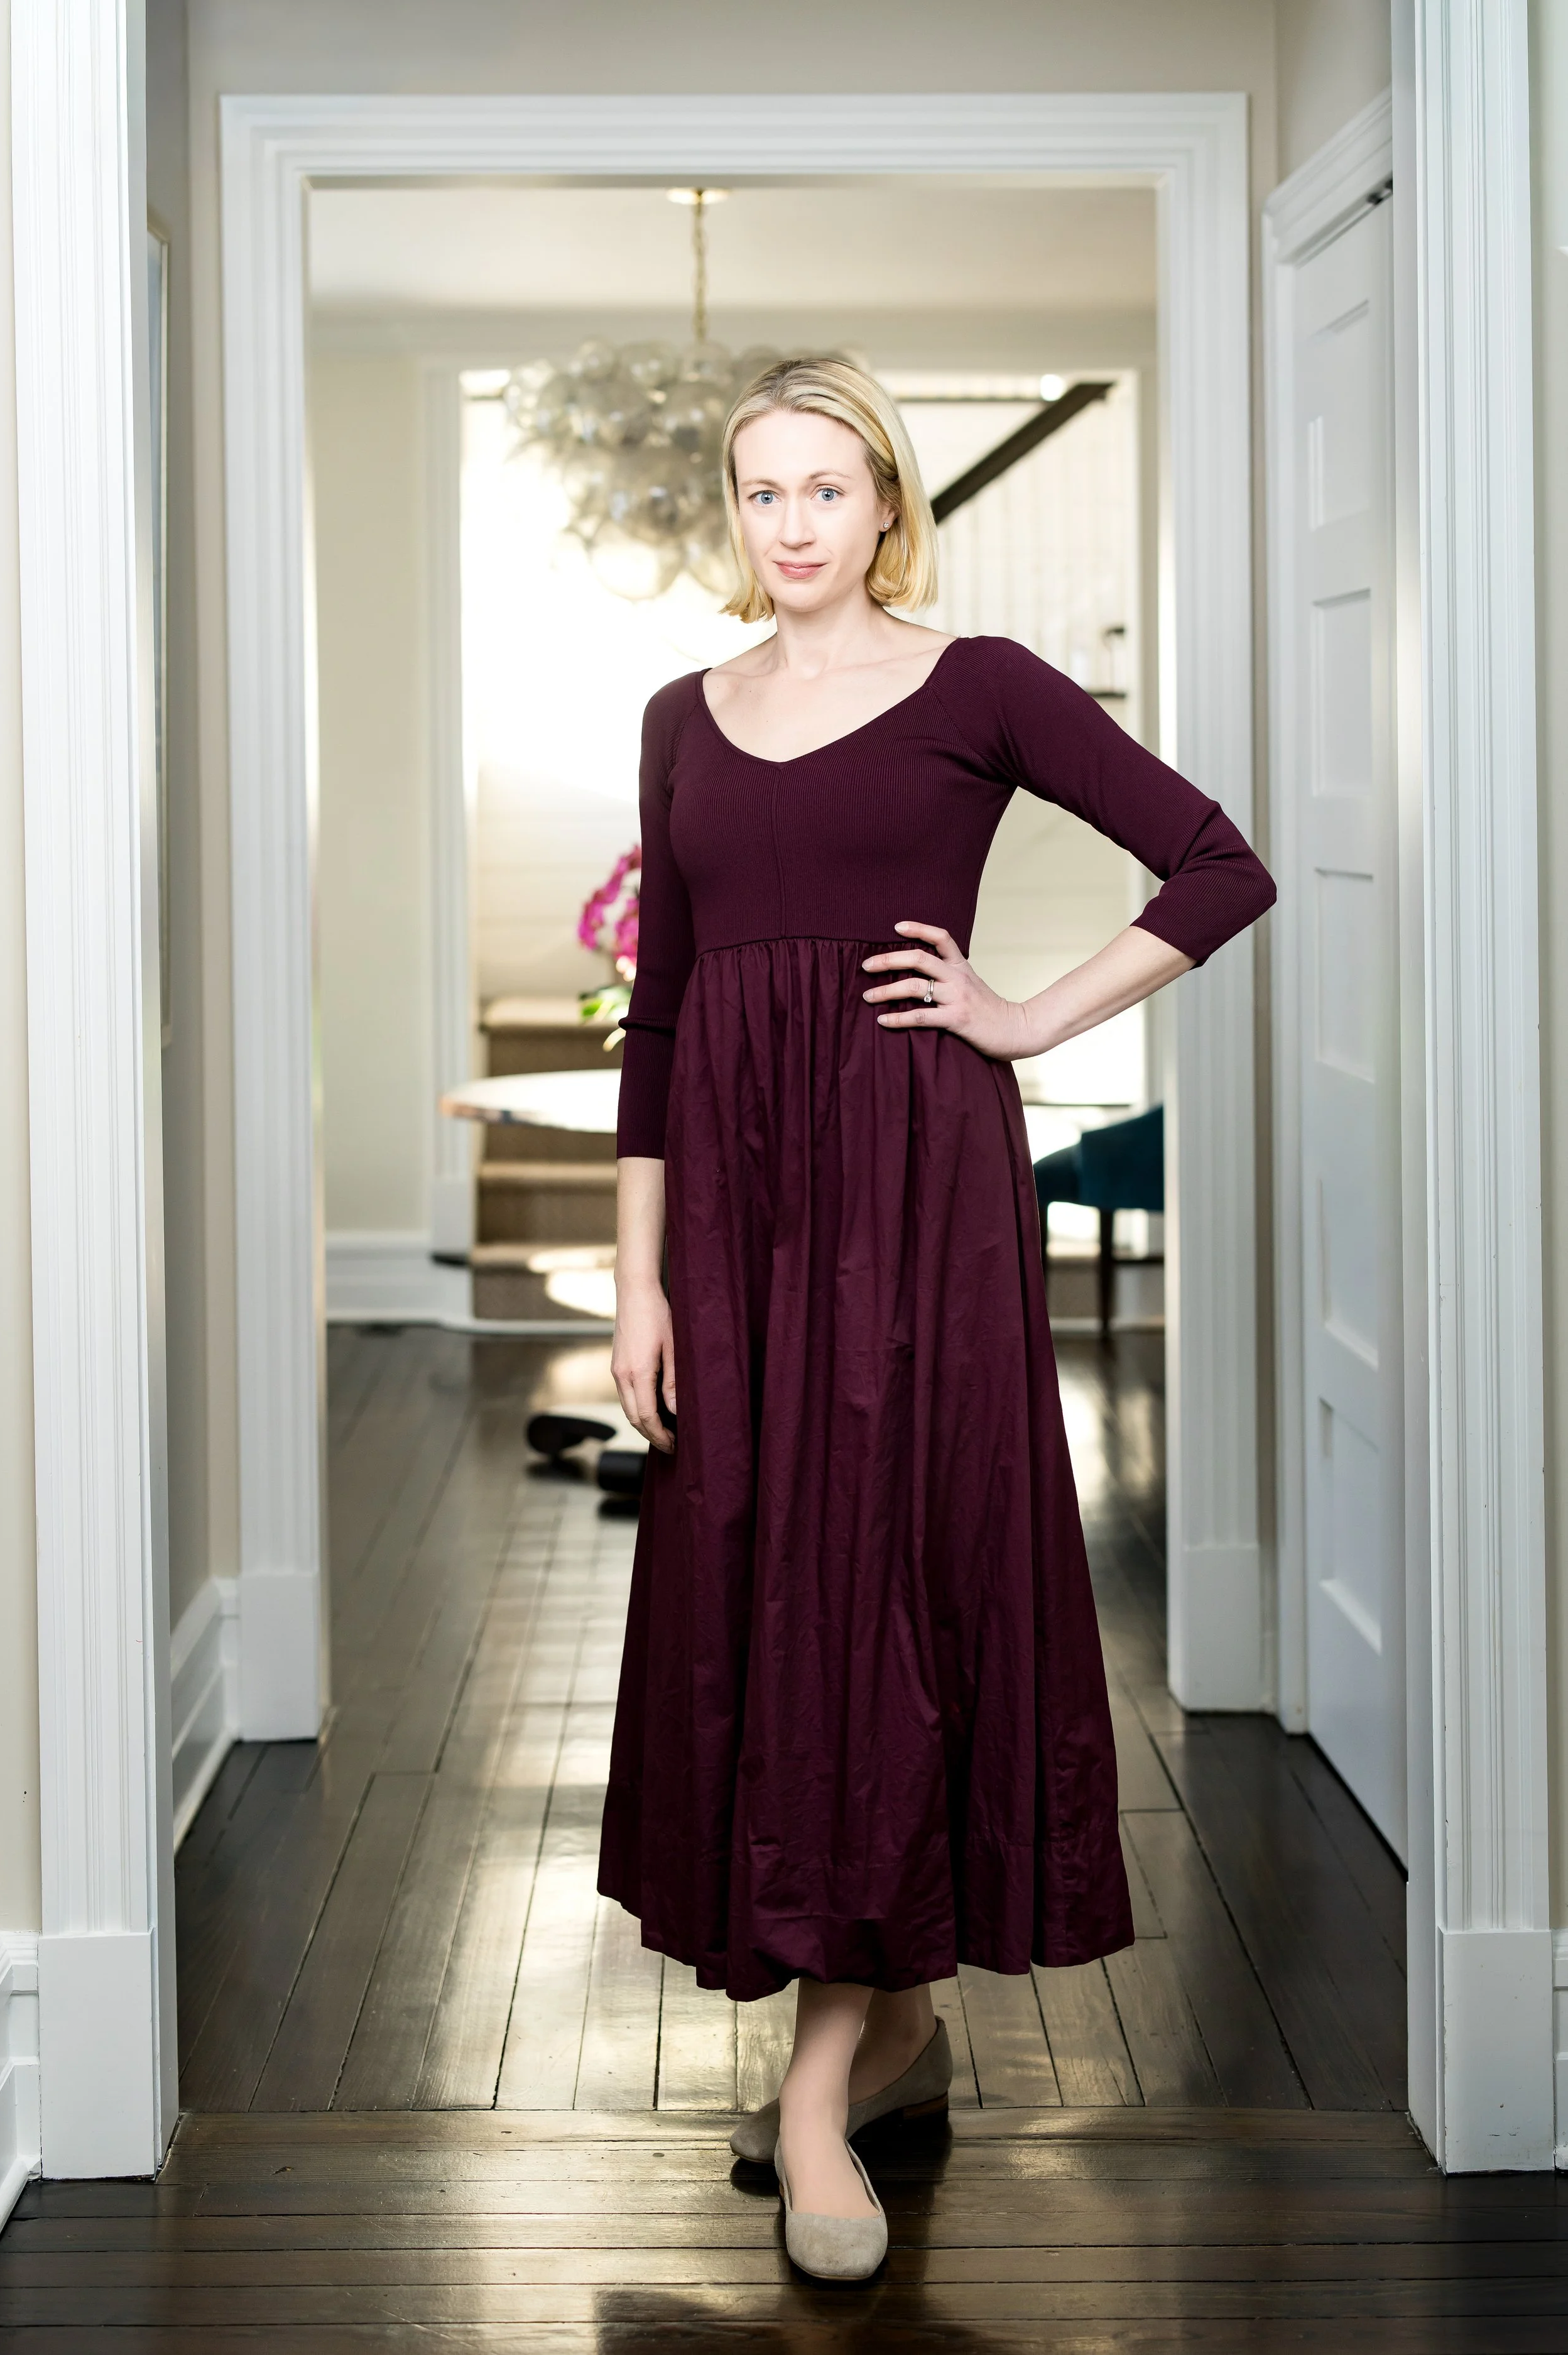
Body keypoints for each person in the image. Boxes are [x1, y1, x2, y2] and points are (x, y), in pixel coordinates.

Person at [599, 356, 1274, 2280]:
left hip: (917, 1202)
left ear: (885, 503)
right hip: (731, 1211)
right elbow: (659, 1015)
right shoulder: (680, 717)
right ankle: (886, 2030)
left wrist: (1027, 1014)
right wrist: (637, 1275)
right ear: (733, 513)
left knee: (898, 1577)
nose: (792, 521)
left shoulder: (979, 684)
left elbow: (1219, 864)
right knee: (765, 1583)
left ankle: (817, 2094)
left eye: (827, 486)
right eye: (760, 489)